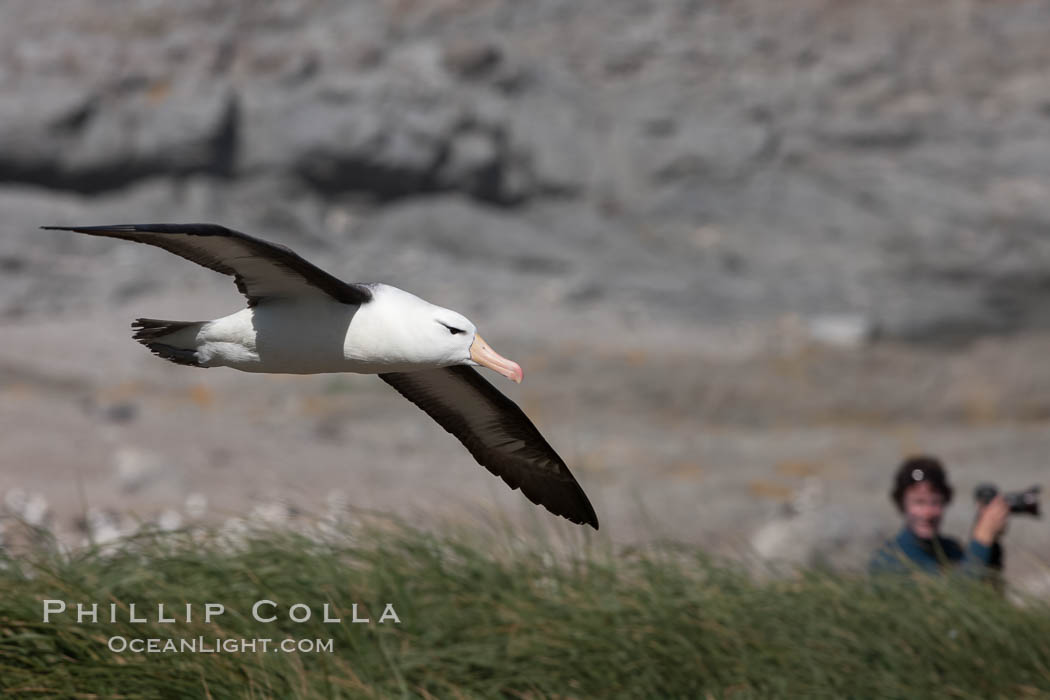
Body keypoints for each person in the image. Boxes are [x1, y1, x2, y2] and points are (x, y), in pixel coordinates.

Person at [869, 455, 1009, 577]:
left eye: (935, 502)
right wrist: (982, 539)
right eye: (919, 502)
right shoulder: (889, 560)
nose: (927, 513)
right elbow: (957, 596)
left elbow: (988, 589)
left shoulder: (951, 549)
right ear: (901, 504)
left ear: (946, 502)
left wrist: (992, 540)